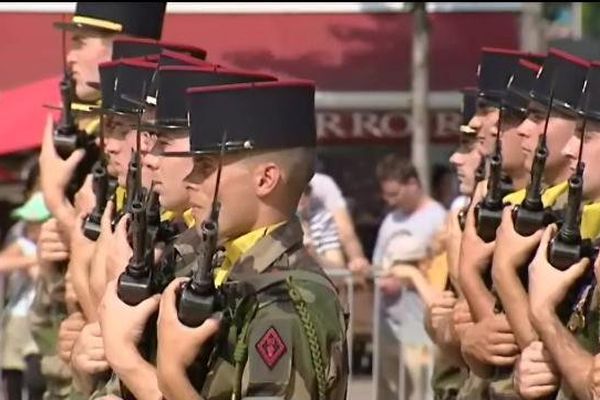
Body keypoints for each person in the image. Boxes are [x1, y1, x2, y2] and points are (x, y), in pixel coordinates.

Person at [372, 154, 446, 400]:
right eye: (386, 195)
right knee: (389, 391)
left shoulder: (438, 218)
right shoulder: (391, 220)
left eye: (395, 194)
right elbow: (378, 262)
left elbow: (439, 269)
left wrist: (408, 277)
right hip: (388, 323)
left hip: (419, 326)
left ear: (413, 184)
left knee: (419, 392)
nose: (390, 201)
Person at [1, 192, 51, 400]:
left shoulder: (55, 246)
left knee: (35, 377)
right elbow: (3, 263)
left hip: (42, 317)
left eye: (35, 222)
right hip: (18, 316)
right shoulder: (23, 245)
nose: (30, 226)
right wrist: (31, 261)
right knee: (12, 373)